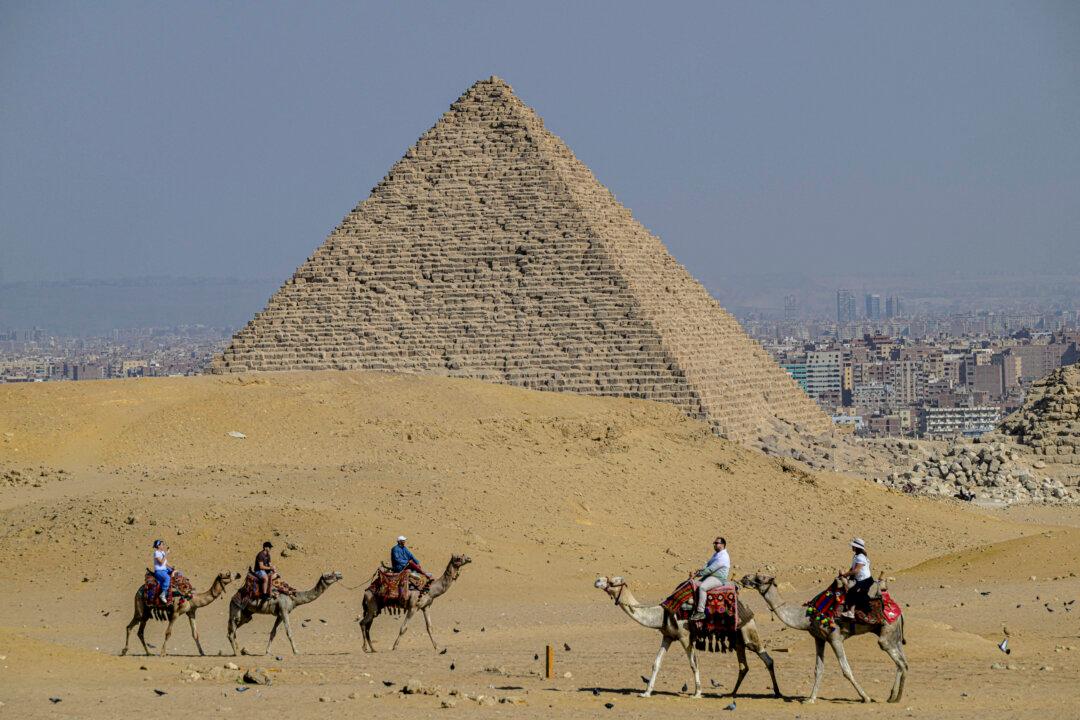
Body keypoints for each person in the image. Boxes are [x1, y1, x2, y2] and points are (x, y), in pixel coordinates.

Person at [690, 537, 730, 621]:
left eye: (716, 543)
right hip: (711, 576)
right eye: (714, 543)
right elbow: (708, 564)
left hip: (718, 578)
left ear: (722, 545)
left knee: (702, 587)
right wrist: (699, 571)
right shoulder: (717, 554)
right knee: (694, 585)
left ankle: (700, 612)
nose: (714, 544)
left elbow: (711, 569)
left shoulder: (723, 557)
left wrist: (698, 574)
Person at [840, 537, 873, 616]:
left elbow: (856, 570)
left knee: (851, 592)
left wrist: (845, 575)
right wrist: (846, 574)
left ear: (856, 547)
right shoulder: (857, 556)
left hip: (865, 580)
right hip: (861, 579)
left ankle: (851, 612)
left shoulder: (860, 557)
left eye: (853, 546)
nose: (852, 547)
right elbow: (853, 568)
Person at [153, 539, 172, 604]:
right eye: (162, 544)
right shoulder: (156, 553)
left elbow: (165, 562)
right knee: (167, 578)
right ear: (158, 546)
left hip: (165, 569)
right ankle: (163, 594)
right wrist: (166, 554)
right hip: (159, 571)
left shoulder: (162, 552)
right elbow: (161, 562)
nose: (163, 546)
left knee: (178, 573)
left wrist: (172, 567)